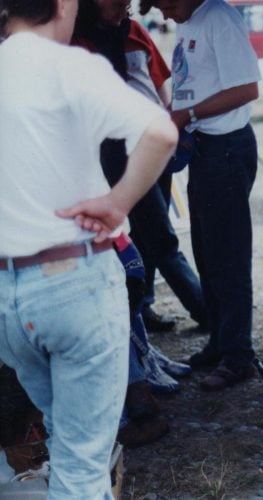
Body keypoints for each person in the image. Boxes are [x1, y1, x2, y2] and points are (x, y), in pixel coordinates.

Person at [0, 0, 178, 496]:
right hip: (73, 281)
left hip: (5, 299)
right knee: (81, 464)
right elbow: (161, 131)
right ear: (63, 4)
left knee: (64, 435)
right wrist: (118, 203)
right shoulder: (69, 65)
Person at [73, 0, 207, 333]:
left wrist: (171, 121)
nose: (123, 5)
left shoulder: (135, 31)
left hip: (156, 139)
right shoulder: (77, 42)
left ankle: (143, 309)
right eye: (114, 1)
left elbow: (159, 79)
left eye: (126, 1)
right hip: (116, 146)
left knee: (148, 235)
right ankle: (205, 312)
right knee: (161, 236)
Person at [154, 0, 262, 390]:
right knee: (206, 250)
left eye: (163, 4)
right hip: (202, 146)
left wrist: (188, 115)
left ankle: (238, 355)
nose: (163, 15)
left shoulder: (220, 18)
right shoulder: (188, 22)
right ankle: (219, 341)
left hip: (227, 147)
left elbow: (247, 88)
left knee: (229, 255)